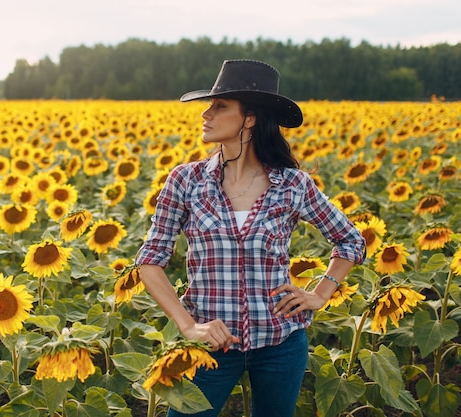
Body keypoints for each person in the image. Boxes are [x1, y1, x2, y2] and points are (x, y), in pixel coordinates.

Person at [134, 59, 366, 417]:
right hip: (211, 347)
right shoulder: (186, 181)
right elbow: (149, 261)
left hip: (280, 345)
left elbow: (351, 240)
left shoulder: (292, 185)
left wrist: (320, 293)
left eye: (220, 106)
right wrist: (189, 325)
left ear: (251, 118)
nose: (206, 114)